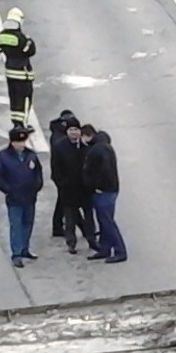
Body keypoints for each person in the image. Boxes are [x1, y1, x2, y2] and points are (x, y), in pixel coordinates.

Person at [0, 125, 44, 268]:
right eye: (19, 142)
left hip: (30, 196)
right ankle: (16, 253)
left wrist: (37, 186)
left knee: (28, 223)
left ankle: (25, 248)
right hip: (14, 198)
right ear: (12, 142)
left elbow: (38, 172)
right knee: (16, 225)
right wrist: (8, 189)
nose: (22, 144)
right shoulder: (2, 157)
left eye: (23, 141)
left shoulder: (30, 155)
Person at [51, 124, 98, 255]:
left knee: (89, 215)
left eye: (76, 129)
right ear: (67, 132)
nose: (74, 132)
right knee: (70, 218)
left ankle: (92, 239)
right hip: (68, 189)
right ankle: (71, 242)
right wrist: (61, 184)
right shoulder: (60, 147)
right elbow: (55, 169)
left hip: (85, 188)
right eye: (71, 130)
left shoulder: (86, 146)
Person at [0, 8, 37, 130]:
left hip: (10, 72)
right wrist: (29, 41)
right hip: (23, 73)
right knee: (25, 98)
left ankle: (16, 123)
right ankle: (24, 125)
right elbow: (30, 51)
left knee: (14, 98)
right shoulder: (22, 38)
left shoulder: (1, 36)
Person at [85, 128, 126, 263]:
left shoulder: (96, 150)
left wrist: (97, 186)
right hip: (111, 190)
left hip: (103, 191)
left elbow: (103, 171)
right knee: (104, 221)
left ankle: (120, 251)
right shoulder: (106, 147)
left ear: (88, 136)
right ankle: (105, 249)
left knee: (107, 222)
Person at [46, 108, 79, 238]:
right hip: (63, 175)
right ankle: (79, 228)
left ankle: (58, 227)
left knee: (64, 202)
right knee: (67, 203)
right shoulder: (59, 138)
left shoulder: (57, 132)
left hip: (62, 175)